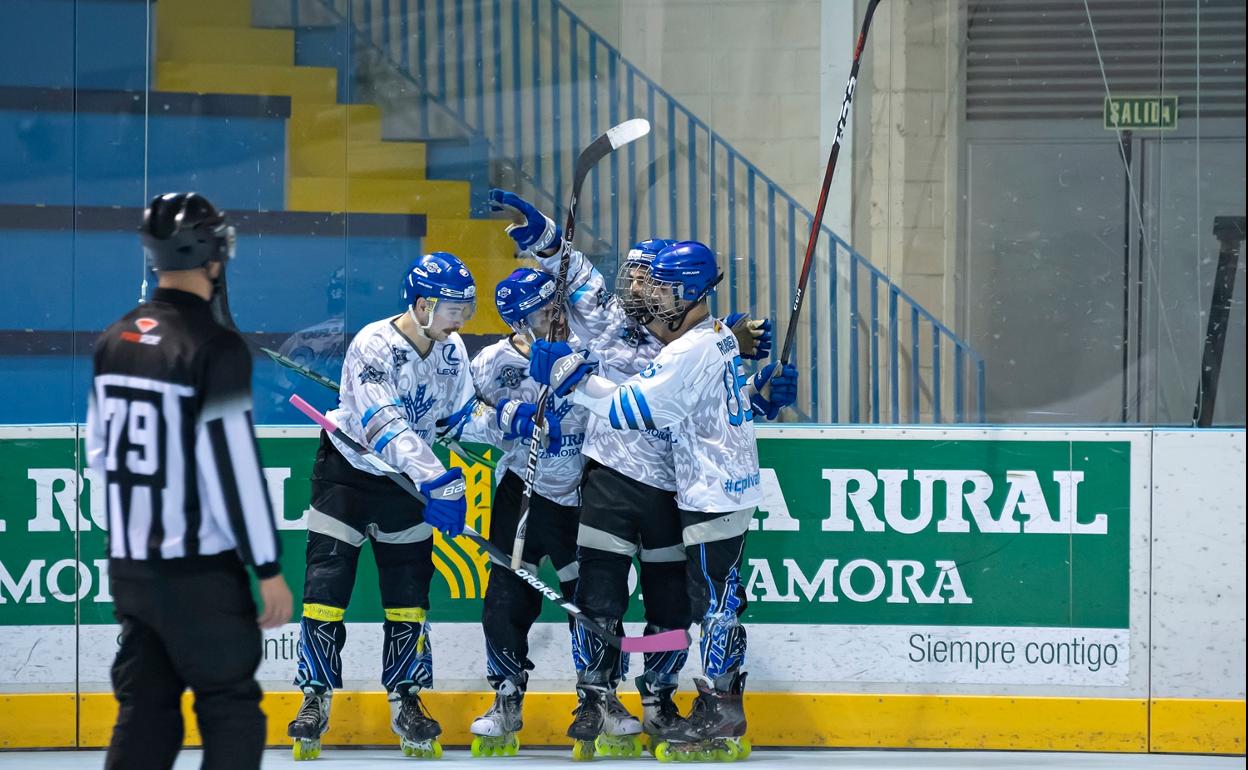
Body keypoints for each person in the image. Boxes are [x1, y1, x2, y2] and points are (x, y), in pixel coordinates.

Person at [487, 188, 774, 757]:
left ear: (678, 291)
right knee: (599, 597)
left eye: (648, 283)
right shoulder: (613, 320)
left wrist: (757, 395)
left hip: (674, 485)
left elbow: (684, 405)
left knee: (673, 604)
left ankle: (662, 694)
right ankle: (596, 695)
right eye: (637, 282)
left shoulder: (691, 343)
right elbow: (580, 274)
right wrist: (542, 234)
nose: (635, 291)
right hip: (611, 479)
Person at [87, 192, 293, 770]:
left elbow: (102, 455)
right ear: (213, 254)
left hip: (131, 569)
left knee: (147, 710)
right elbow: (233, 465)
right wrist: (267, 566)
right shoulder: (214, 346)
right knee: (230, 707)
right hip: (198, 573)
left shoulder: (116, 337)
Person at [285, 251, 495, 760]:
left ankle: (407, 699)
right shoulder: (373, 345)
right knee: (326, 587)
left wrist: (510, 421)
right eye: (454, 307)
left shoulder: (451, 350)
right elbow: (384, 427)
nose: (463, 318)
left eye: (467, 307)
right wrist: (438, 479)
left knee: (408, 593)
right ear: (423, 305)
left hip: (409, 480)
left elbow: (458, 418)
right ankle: (315, 696)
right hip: (347, 476)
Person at [465, 268, 582, 756]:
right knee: (506, 598)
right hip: (521, 489)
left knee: (593, 597)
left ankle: (598, 695)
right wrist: (504, 422)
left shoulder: (586, 348)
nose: (555, 319)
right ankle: (507, 695)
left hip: (582, 490)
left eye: (557, 308)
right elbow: (458, 417)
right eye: (542, 313)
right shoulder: (492, 362)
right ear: (519, 320)